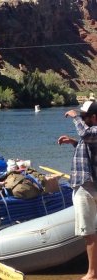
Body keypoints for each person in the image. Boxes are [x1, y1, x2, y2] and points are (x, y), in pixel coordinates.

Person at [58, 100, 97, 280]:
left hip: (87, 186)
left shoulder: (92, 130)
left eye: (84, 116)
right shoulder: (90, 133)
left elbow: (86, 133)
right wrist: (74, 143)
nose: (81, 118)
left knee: (88, 232)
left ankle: (92, 273)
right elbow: (89, 146)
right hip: (87, 184)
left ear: (94, 117)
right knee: (89, 232)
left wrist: (75, 118)